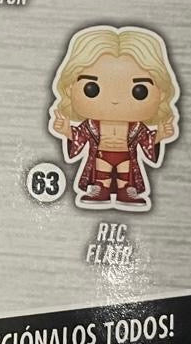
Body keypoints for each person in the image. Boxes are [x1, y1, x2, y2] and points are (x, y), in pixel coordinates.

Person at [49, 25, 179, 210]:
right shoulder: (92, 125)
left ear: (161, 93)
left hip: (126, 155)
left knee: (125, 176)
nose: (115, 100)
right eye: (92, 89)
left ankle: (126, 191)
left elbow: (146, 140)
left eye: (139, 91)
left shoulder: (136, 128)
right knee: (102, 173)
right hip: (101, 154)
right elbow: (80, 136)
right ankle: (101, 189)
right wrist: (66, 131)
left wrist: (161, 135)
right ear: (70, 89)